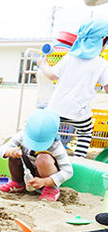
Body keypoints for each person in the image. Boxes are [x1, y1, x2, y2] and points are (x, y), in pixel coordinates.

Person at [37, 18, 108, 158]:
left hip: (55, 109)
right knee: (85, 133)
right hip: (78, 112)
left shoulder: (69, 57)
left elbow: (51, 76)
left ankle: (48, 158)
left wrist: (42, 64)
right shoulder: (101, 63)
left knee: (50, 136)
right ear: (102, 40)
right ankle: (78, 159)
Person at [0, 109, 73, 202]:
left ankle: (51, 189)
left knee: (43, 159)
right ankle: (18, 183)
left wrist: (46, 181)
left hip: (46, 177)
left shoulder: (55, 146)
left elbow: (68, 171)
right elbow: (2, 149)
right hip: (26, 173)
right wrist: (10, 151)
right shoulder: (21, 136)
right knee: (14, 153)